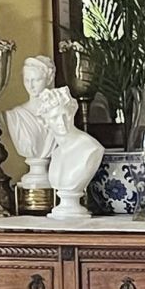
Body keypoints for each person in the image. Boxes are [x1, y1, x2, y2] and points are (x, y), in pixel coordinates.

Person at [37, 86, 104, 219]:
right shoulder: (55, 154)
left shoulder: (90, 148)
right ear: (45, 121)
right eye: (54, 117)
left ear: (72, 113)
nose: (61, 122)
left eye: (65, 115)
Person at [5, 56, 56, 188]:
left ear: (49, 79)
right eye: (27, 80)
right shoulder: (15, 116)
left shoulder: (59, 114)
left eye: (36, 80)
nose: (31, 85)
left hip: (50, 179)